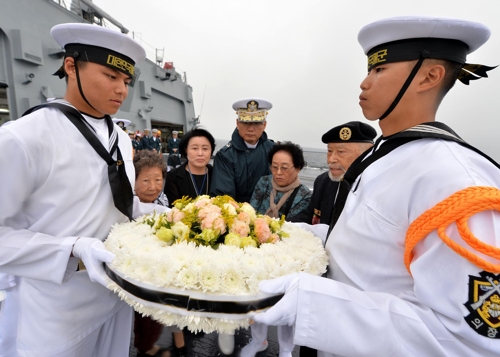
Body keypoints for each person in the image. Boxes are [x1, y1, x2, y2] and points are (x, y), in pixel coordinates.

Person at [253, 16, 500, 357]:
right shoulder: (389, 154)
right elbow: (377, 251)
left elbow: (469, 343)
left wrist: (310, 303)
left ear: (430, 76)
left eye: (379, 70)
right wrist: (306, 238)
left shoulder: (454, 181)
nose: (364, 83)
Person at [0, 23, 169, 356]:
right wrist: (71, 250)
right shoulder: (23, 137)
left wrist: (164, 215)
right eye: (110, 76)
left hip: (113, 297)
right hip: (54, 311)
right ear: (71, 66)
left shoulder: (120, 138)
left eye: (125, 81)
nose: (122, 89)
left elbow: (113, 206)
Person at [289, 122, 376, 225]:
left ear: (366, 153)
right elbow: (309, 215)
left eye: (341, 152)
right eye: (329, 151)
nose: (331, 159)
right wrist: (281, 227)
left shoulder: (375, 188)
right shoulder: (323, 181)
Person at [210, 98, 275, 203]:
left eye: (257, 122)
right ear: (237, 123)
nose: (250, 128)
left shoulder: (274, 150)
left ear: (264, 125)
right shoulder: (225, 155)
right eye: (245, 122)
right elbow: (223, 197)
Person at [250, 141, 311, 219]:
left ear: (298, 168)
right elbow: (251, 212)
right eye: (274, 167)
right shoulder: (264, 182)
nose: (278, 172)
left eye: (284, 168)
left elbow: (292, 225)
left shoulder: (304, 195)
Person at [164, 127, 215, 206]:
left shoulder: (217, 173)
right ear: (185, 149)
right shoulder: (173, 177)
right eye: (194, 148)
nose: (200, 153)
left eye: (205, 148)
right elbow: (172, 208)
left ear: (211, 150)